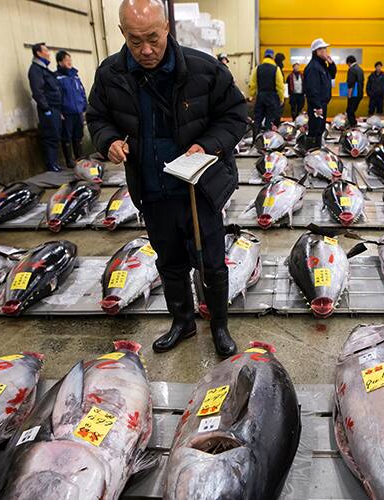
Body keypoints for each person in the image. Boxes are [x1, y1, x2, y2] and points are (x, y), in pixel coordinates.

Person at [86, 0, 246, 356]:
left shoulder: (203, 68)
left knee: (212, 263)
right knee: (169, 262)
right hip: (152, 190)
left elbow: (236, 114)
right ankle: (183, 322)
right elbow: (97, 117)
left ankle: (219, 325)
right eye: (135, 40)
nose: (145, 50)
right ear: (122, 34)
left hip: (198, 190)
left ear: (167, 28)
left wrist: (206, 145)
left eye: (153, 39)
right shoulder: (110, 73)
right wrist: (107, 140)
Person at [28, 42, 63, 172]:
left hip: (55, 108)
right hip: (48, 109)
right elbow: (38, 91)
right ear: (39, 53)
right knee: (50, 137)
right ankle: (51, 164)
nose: (49, 53)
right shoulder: (36, 70)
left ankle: (55, 163)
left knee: (56, 136)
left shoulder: (45, 69)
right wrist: (46, 108)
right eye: (46, 51)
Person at [55, 50, 87, 168]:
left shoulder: (75, 75)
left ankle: (80, 157)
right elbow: (57, 96)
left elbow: (82, 91)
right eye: (66, 60)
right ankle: (69, 160)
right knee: (67, 136)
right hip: (66, 112)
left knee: (78, 135)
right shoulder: (58, 77)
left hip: (78, 110)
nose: (69, 62)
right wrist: (60, 111)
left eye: (70, 60)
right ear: (60, 62)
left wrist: (84, 106)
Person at [303, 38, 337, 148]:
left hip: (322, 103)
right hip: (317, 105)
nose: (326, 52)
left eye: (326, 49)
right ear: (317, 51)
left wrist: (331, 64)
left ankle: (316, 151)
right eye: (323, 50)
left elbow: (332, 75)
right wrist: (317, 106)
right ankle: (311, 152)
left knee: (320, 128)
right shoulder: (313, 67)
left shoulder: (322, 66)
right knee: (315, 128)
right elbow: (312, 89)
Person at [249, 48, 284, 133]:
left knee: (257, 119)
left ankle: (255, 139)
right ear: (272, 57)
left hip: (260, 96)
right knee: (270, 120)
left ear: (264, 57)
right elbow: (280, 85)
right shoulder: (276, 69)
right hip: (272, 98)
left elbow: (252, 84)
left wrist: (252, 96)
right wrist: (281, 98)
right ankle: (268, 140)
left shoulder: (257, 68)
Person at [345, 55, 364, 127]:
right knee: (352, 110)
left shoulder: (352, 69)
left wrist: (349, 94)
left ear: (349, 62)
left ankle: (353, 124)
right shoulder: (360, 69)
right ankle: (353, 123)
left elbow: (351, 82)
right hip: (359, 93)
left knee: (349, 111)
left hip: (353, 94)